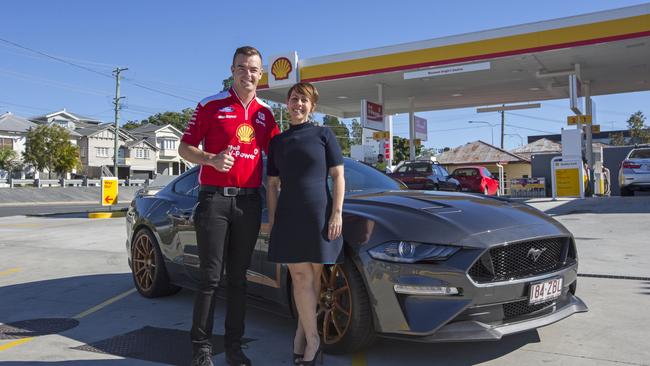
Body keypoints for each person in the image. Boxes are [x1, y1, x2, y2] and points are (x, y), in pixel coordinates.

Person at [178, 46, 280, 366]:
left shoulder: (266, 113)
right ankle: (202, 349)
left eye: (253, 69)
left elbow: (279, 158)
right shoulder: (210, 105)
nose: (247, 74)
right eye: (241, 68)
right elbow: (184, 148)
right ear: (232, 70)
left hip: (249, 204)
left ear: (260, 74)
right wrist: (211, 159)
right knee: (210, 278)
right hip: (214, 200)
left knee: (239, 280)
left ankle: (235, 348)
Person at [266, 82, 345, 366]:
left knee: (314, 278)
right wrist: (274, 219)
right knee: (300, 278)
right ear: (286, 104)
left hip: (318, 213)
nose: (297, 104)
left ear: (312, 106)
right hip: (289, 215)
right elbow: (272, 184)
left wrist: (337, 213)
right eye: (293, 99)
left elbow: (338, 176)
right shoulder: (277, 141)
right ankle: (313, 341)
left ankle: (301, 332)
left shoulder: (324, 134)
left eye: (303, 100)